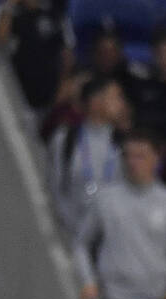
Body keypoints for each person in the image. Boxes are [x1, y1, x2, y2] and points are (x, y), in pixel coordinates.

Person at [73, 129, 166, 299]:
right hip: (112, 298)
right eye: (128, 156)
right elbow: (82, 244)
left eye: (140, 156)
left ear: (156, 159)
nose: (132, 162)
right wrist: (88, 280)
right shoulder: (105, 200)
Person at [49, 76, 131, 236]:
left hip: (103, 240)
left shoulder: (123, 146)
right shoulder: (66, 139)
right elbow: (53, 185)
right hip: (62, 232)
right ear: (95, 101)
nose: (122, 104)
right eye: (116, 97)